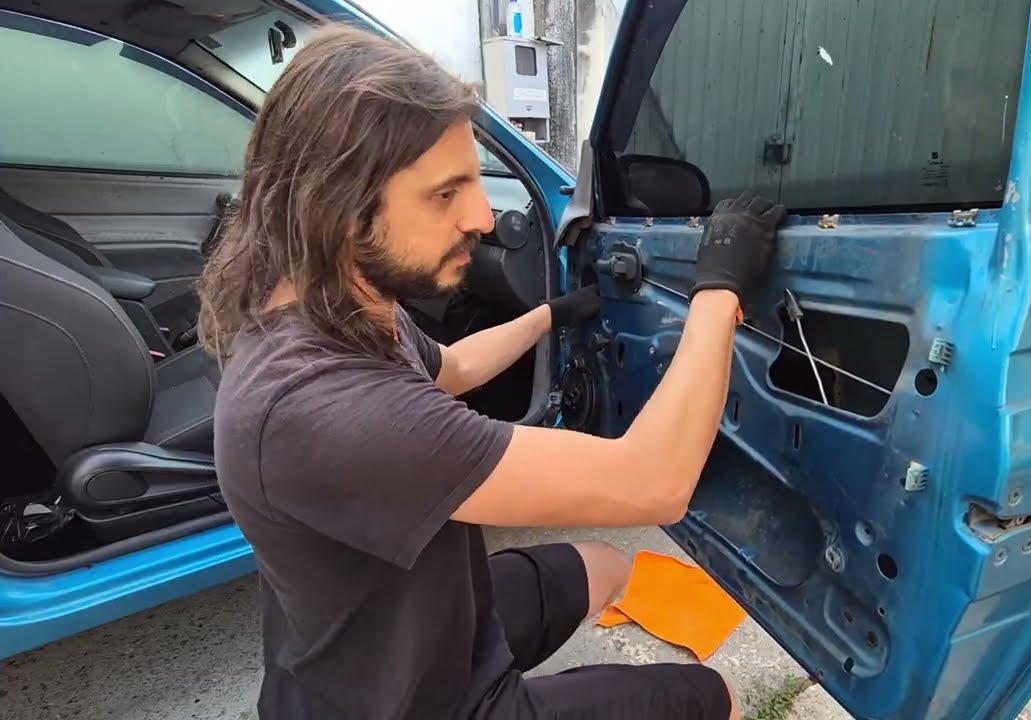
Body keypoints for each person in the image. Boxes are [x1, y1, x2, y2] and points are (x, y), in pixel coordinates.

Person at [200, 24, 786, 720]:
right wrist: (720, 293)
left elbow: (452, 366)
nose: (482, 216)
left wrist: (550, 316)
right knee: (710, 698)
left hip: (398, 629)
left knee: (607, 564)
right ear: (340, 209)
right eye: (446, 194)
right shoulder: (322, 407)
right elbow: (655, 484)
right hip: (416, 706)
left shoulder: (333, 311)